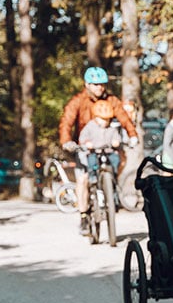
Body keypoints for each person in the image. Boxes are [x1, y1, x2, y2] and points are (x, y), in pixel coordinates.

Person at [59, 66, 139, 234]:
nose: (99, 88)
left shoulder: (111, 100)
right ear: (87, 84)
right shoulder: (78, 100)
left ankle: (111, 190)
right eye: (95, 84)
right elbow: (67, 121)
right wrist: (67, 141)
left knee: (120, 158)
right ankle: (83, 215)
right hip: (85, 145)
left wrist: (132, 135)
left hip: (106, 143)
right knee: (83, 179)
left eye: (102, 84)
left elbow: (124, 118)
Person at [77, 100, 122, 179]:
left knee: (115, 159)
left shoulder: (111, 128)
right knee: (92, 162)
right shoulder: (90, 126)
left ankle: (114, 177)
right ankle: (92, 177)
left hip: (108, 151)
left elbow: (116, 137)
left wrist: (116, 141)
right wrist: (87, 142)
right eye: (102, 119)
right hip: (95, 151)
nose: (105, 122)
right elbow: (83, 137)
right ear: (95, 117)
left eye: (107, 119)